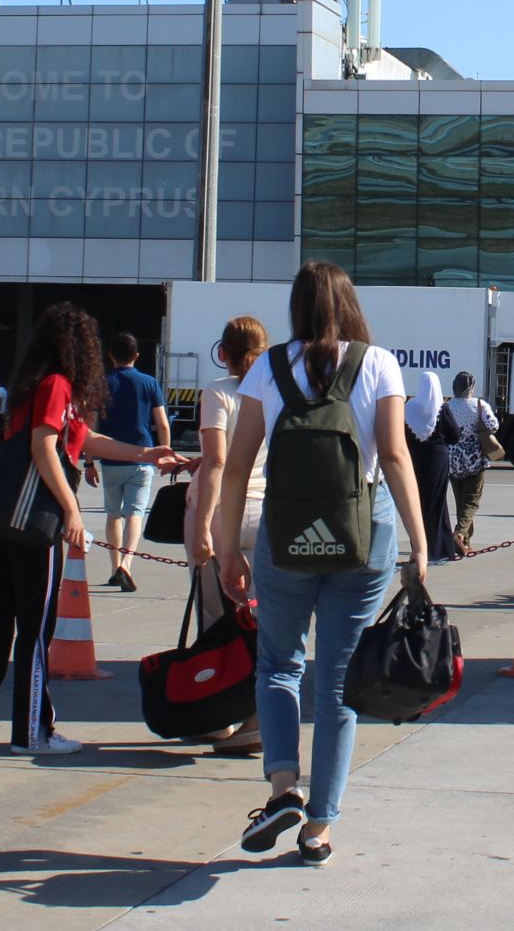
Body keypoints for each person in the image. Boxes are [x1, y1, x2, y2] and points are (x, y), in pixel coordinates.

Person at [217, 262, 433, 867]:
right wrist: (420, 543)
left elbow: (237, 466)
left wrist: (228, 545)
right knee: (339, 682)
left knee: (277, 665)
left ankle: (284, 788)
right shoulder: (378, 363)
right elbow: (395, 456)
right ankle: (318, 829)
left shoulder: (267, 366)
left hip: (286, 533)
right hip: (363, 534)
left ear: (297, 307)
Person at [0, 304, 178, 755]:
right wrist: (72, 510)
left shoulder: (37, 383)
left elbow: (83, 439)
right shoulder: (57, 384)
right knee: (37, 625)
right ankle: (33, 731)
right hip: (32, 519)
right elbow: (45, 446)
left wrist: (145, 454)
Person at [190, 315, 273, 756]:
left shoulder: (218, 392)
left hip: (226, 513)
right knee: (260, 623)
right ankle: (257, 717)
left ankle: (217, 713)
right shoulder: (273, 391)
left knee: (214, 618)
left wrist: (202, 525)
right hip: (266, 511)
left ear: (222, 352)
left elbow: (217, 462)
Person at [92, 334, 170, 592]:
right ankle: (127, 564)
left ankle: (115, 567)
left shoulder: (103, 384)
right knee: (135, 513)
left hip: (110, 458)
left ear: (110, 355)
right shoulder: (149, 383)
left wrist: (89, 462)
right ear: (137, 355)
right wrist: (164, 454)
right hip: (142, 457)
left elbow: (91, 425)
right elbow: (162, 424)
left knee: (113, 514)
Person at [402, 369, 461, 568]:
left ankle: (420, 547)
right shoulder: (441, 408)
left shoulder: (409, 408)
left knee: (418, 502)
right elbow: (454, 435)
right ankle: (439, 549)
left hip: (414, 460)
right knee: (437, 502)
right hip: (438, 460)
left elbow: (401, 434)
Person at [443, 372, 499, 551]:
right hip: (475, 460)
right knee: (472, 500)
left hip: (453, 460)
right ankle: (459, 533)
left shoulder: (447, 406)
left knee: (461, 501)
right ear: (471, 388)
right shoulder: (479, 405)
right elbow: (493, 426)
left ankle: (465, 542)